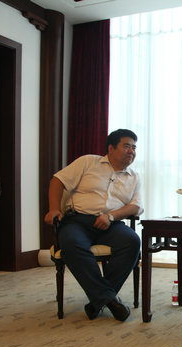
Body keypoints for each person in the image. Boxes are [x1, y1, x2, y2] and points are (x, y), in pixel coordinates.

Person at [44, 129, 143, 322]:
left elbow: (136, 206)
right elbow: (58, 180)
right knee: (71, 243)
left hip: (111, 224)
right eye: (126, 146)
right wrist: (54, 208)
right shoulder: (88, 162)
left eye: (134, 147)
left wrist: (110, 216)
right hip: (78, 221)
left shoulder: (134, 176)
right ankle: (108, 299)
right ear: (111, 148)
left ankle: (99, 300)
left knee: (132, 242)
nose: (131, 151)